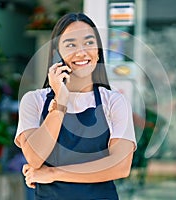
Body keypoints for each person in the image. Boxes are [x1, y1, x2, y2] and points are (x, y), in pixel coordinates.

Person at [14, 12, 136, 200]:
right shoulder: (33, 101)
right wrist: (61, 101)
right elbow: (35, 158)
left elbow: (120, 166)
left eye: (89, 42)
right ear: (56, 53)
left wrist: (53, 173)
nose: (81, 52)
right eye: (71, 44)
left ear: (98, 51)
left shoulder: (113, 102)